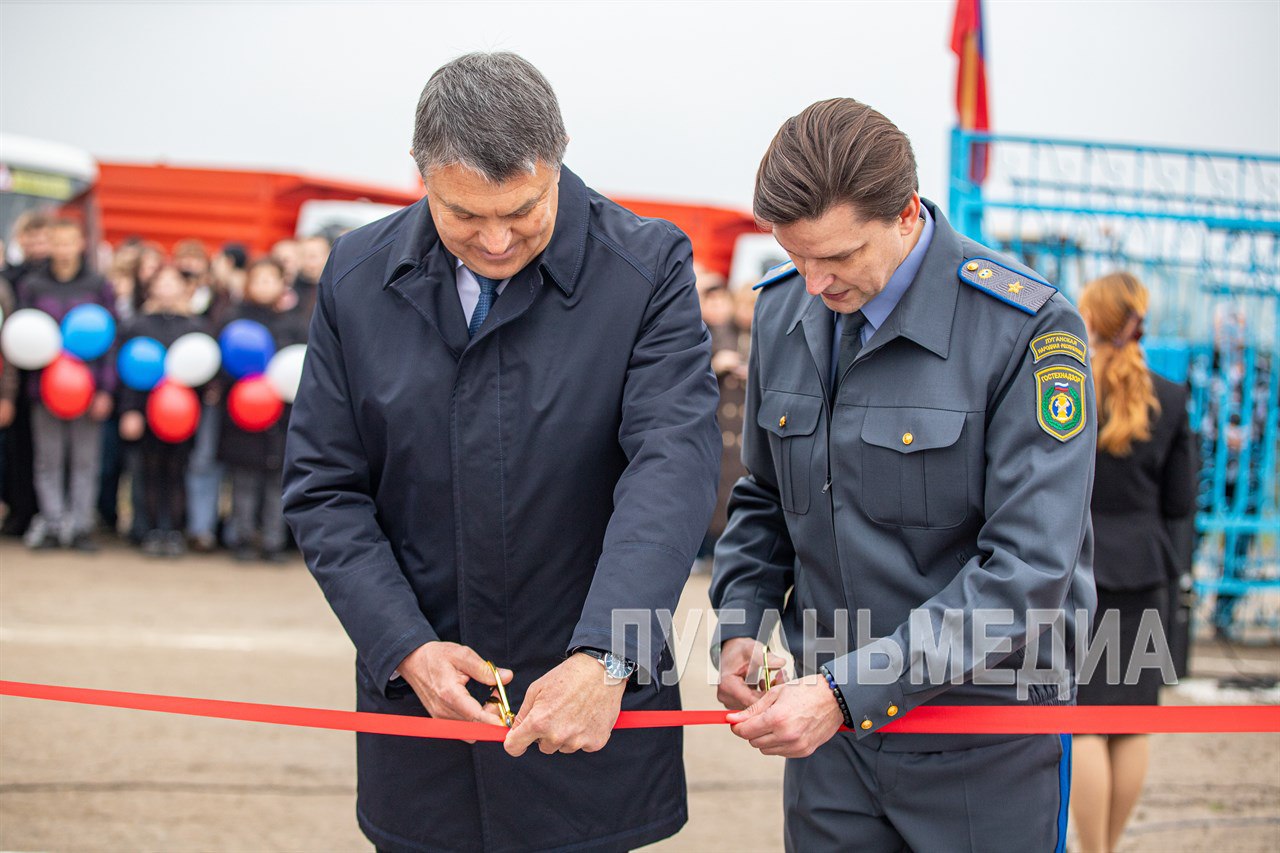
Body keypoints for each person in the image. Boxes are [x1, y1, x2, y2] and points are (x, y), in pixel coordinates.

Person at [282, 52, 718, 853]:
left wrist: (607, 657)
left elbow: (671, 469)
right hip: (422, 722)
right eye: (461, 213)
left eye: (521, 210)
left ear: (558, 161)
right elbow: (324, 487)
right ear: (420, 174)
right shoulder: (356, 275)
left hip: (586, 719)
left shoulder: (647, 268)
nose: (494, 238)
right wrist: (403, 646)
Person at [710, 98, 1097, 852]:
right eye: (797, 257)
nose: (817, 284)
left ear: (907, 213)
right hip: (835, 750)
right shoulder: (790, 315)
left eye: (840, 257)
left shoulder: (1025, 329)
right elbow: (762, 498)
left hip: (982, 737)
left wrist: (847, 691)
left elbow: (1028, 569)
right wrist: (741, 624)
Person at [1069, 272, 1195, 852]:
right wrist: (1173, 565)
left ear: (1091, 318)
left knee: (1085, 721)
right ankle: (1110, 848)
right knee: (1133, 720)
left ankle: (1090, 850)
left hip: (1079, 571)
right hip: (1146, 573)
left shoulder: (1065, 392)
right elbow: (1181, 503)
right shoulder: (1171, 396)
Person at [18, 219, 117, 551]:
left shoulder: (98, 284)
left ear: (80, 244)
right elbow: (24, 336)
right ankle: (53, 522)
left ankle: (80, 525)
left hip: (87, 388)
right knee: (48, 459)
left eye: (68, 242)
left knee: (85, 460)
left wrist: (104, 389)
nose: (62, 250)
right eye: (56, 243)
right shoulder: (33, 285)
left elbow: (109, 340)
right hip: (45, 388)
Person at [215, 258, 306, 563]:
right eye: (259, 279)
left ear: (283, 284)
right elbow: (222, 364)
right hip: (244, 412)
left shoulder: (295, 323)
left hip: (282, 417)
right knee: (243, 479)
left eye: (271, 279)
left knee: (277, 481)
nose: (265, 286)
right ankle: (241, 537)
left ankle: (272, 540)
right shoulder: (234, 320)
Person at [118, 265, 208, 557]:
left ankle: (175, 531)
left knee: (178, 472)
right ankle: (152, 529)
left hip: (184, 414)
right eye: (161, 282)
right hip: (146, 411)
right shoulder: (137, 325)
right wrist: (130, 410)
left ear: (185, 288)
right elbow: (128, 371)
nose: (167, 287)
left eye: (174, 281)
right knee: (148, 471)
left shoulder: (196, 327)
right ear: (151, 287)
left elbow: (204, 373)